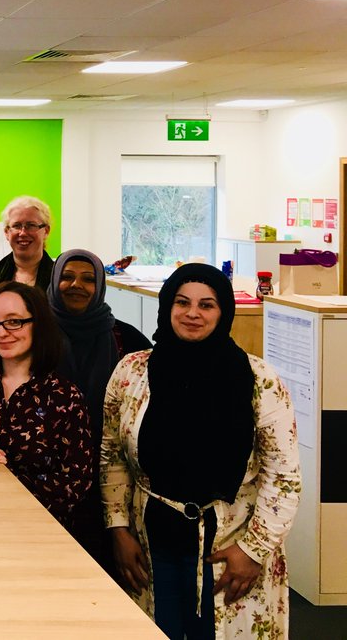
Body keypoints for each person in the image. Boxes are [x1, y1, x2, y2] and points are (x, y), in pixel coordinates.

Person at [101, 264, 300, 640]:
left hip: (231, 545)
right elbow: (112, 454)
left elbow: (284, 478)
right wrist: (118, 529)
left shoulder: (260, 380)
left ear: (223, 312)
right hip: (152, 541)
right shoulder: (132, 371)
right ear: (167, 306)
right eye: (182, 302)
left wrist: (253, 550)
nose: (193, 313)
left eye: (207, 305)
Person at [0, 282, 92, 528]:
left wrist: (8, 477)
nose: (1, 332)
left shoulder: (64, 396)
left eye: (14, 321)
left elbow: (76, 483)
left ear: (38, 324)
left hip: (41, 531)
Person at [48, 249, 151, 569]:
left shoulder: (127, 339)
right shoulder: (33, 334)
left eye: (88, 279)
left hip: (110, 476)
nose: (76, 285)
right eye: (67, 276)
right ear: (53, 281)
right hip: (48, 478)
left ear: (101, 286)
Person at [0, 196, 55, 299]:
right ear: (7, 232)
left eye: (31, 225)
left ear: (46, 231)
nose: (23, 233)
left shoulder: (60, 278)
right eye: (16, 226)